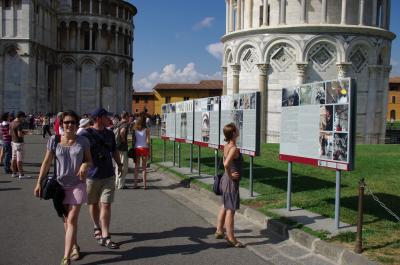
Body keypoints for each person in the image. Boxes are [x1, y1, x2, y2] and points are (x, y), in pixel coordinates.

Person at [34, 110, 92, 265]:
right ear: (62, 124)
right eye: (67, 122)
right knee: (66, 221)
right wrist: (39, 181)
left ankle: (66, 257)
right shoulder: (54, 140)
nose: (70, 125)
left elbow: (89, 160)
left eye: (73, 122)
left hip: (77, 184)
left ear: (77, 124)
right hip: (59, 186)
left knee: (72, 219)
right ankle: (74, 246)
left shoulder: (83, 141)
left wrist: (85, 165)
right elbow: (46, 163)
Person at [79, 107, 122, 249]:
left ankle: (105, 235)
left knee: (106, 204)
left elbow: (114, 150)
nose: (108, 119)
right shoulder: (85, 134)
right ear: (98, 118)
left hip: (108, 174)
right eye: (105, 117)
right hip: (92, 176)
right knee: (93, 204)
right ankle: (96, 226)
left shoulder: (109, 133)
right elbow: (79, 153)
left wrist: (120, 165)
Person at [215, 123, 244, 248]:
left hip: (225, 180)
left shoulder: (226, 145)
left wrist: (228, 174)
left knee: (224, 205)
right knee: (230, 210)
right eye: (236, 129)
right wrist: (231, 175)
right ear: (233, 133)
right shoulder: (233, 148)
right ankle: (231, 238)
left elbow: (223, 159)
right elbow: (226, 164)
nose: (238, 130)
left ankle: (219, 230)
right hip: (230, 182)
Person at [10, 111, 31, 179]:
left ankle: (14, 173)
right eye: (23, 117)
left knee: (13, 158)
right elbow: (19, 135)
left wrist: (21, 132)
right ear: (21, 116)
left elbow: (10, 133)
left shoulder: (11, 123)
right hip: (19, 143)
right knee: (19, 159)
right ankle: (21, 174)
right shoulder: (19, 124)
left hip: (13, 142)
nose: (23, 119)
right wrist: (25, 133)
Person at [132, 116, 150, 189]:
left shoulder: (135, 129)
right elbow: (148, 141)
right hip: (144, 148)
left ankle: (135, 184)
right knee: (144, 167)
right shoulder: (146, 129)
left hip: (137, 148)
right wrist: (150, 151)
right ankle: (145, 184)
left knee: (136, 167)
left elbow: (134, 140)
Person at [114, 111, 130, 189]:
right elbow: (122, 131)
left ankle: (117, 182)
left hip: (117, 147)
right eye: (129, 116)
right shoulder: (125, 124)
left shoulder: (118, 123)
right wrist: (123, 140)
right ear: (126, 116)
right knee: (123, 166)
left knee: (118, 165)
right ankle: (121, 184)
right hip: (122, 148)